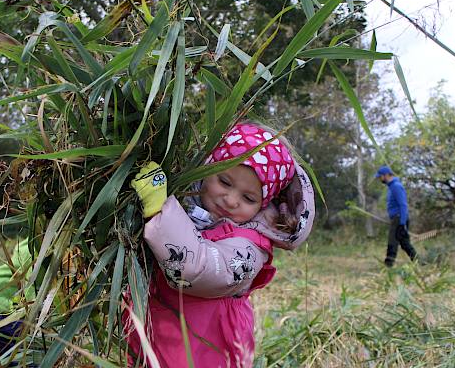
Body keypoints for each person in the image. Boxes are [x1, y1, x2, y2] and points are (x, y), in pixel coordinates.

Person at [127, 122, 316, 367]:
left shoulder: (251, 247)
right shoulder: (188, 205)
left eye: (248, 198)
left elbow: (194, 268)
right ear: (209, 168)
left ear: (263, 204)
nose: (230, 199)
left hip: (208, 351)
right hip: (157, 336)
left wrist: (160, 209)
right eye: (224, 182)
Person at [375, 165, 417, 267]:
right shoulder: (391, 187)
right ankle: (418, 261)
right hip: (396, 218)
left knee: (392, 241)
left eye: (380, 177)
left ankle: (388, 264)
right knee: (404, 243)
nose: (379, 179)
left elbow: (403, 205)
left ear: (386, 175)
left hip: (399, 218)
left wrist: (402, 223)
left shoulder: (396, 187)